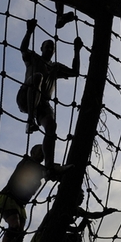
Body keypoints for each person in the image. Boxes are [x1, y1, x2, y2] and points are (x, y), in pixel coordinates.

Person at [17, 19, 82, 173]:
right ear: (41, 48)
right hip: (26, 96)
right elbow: (23, 48)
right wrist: (29, 31)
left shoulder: (55, 67)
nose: (50, 49)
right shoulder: (33, 58)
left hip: (43, 104)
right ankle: (30, 121)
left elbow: (75, 72)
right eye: (47, 46)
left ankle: (49, 167)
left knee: (51, 126)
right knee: (38, 77)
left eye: (52, 47)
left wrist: (77, 51)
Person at [0, 144, 47, 242]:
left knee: (20, 234)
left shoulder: (39, 174)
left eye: (44, 152)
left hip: (20, 205)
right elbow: (36, 170)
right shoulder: (27, 162)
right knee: (14, 225)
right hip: (8, 198)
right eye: (40, 151)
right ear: (33, 152)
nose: (42, 154)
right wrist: (51, 170)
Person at [30, 189, 117, 242]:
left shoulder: (75, 209)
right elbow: (63, 228)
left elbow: (91, 215)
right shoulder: (62, 209)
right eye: (81, 196)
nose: (83, 198)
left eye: (83, 196)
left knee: (76, 238)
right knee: (76, 238)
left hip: (53, 237)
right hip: (43, 238)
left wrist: (104, 213)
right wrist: (80, 226)